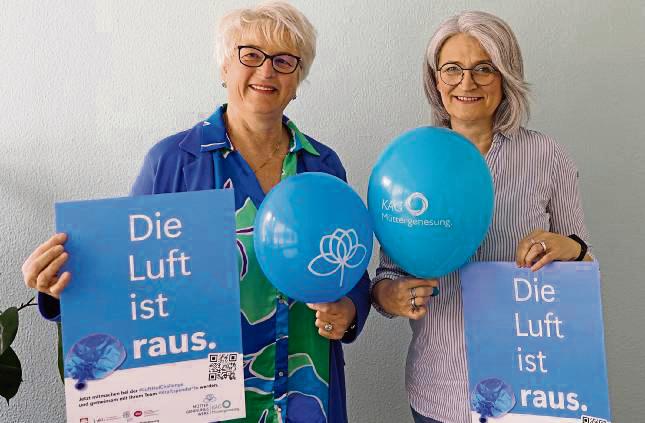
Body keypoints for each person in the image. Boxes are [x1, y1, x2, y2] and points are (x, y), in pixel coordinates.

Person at [20, 2, 370, 422]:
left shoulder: (322, 165)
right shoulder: (171, 162)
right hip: (202, 397)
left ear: (298, 80)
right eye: (251, 55)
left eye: (283, 60)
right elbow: (130, 273)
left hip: (305, 388)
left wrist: (349, 308)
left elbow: (349, 267)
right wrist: (57, 283)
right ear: (224, 67)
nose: (266, 71)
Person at [370, 11, 593, 423]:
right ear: (436, 80)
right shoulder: (411, 163)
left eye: (483, 69)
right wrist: (393, 296)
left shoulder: (546, 156)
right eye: (452, 69)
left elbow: (583, 262)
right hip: (439, 389)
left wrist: (567, 247)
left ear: (505, 77)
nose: (466, 83)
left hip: (530, 387)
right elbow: (386, 274)